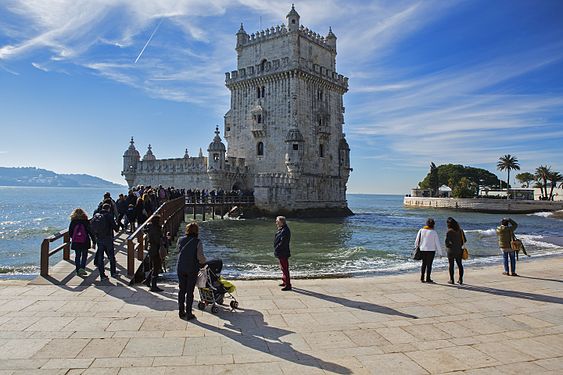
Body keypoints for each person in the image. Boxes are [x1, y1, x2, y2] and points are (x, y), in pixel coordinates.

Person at [176, 222, 206, 320]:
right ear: (197, 231)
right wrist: (203, 263)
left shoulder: (180, 240)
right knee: (190, 291)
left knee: (182, 290)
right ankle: (189, 313)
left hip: (180, 267)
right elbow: (200, 256)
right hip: (192, 268)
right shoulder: (198, 242)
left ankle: (181, 311)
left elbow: (178, 250)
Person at [92, 203, 119, 280]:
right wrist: (118, 222)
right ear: (109, 208)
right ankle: (113, 273)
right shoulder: (109, 216)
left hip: (99, 238)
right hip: (108, 238)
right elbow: (116, 228)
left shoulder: (97, 216)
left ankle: (102, 275)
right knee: (111, 256)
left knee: (100, 257)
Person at [68, 208, 96, 277]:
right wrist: (94, 241)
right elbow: (91, 232)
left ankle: (78, 270)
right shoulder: (85, 221)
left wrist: (75, 237)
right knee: (84, 255)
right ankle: (82, 268)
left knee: (77, 256)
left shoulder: (73, 221)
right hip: (85, 241)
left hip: (76, 242)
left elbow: (70, 232)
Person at [414, 218, 442, 283]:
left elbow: (417, 241)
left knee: (423, 264)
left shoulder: (421, 230)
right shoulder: (434, 232)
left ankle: (422, 278)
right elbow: (437, 243)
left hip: (422, 249)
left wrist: (416, 247)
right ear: (433, 225)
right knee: (429, 265)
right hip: (431, 250)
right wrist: (440, 253)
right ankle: (428, 278)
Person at [143, 215, 164, 292]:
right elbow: (157, 240)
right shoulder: (156, 229)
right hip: (155, 248)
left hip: (150, 248)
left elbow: (144, 230)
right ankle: (154, 286)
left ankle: (147, 280)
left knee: (155, 265)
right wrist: (163, 241)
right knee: (156, 266)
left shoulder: (149, 227)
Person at [445, 217, 466, 285]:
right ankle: (460, 279)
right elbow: (464, 240)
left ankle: (452, 279)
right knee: (460, 265)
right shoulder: (461, 230)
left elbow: (447, 242)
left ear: (449, 224)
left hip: (451, 250)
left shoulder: (449, 231)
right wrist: (459, 244)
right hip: (459, 250)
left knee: (451, 265)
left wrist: (449, 246)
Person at [274, 216, 292, 291]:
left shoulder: (285, 230)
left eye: (277, 221)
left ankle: (288, 285)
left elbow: (283, 242)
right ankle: (285, 281)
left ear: (281, 222)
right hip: (281, 252)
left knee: (285, 268)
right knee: (282, 268)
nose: (276, 223)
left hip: (283, 252)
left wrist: (277, 248)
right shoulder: (282, 229)